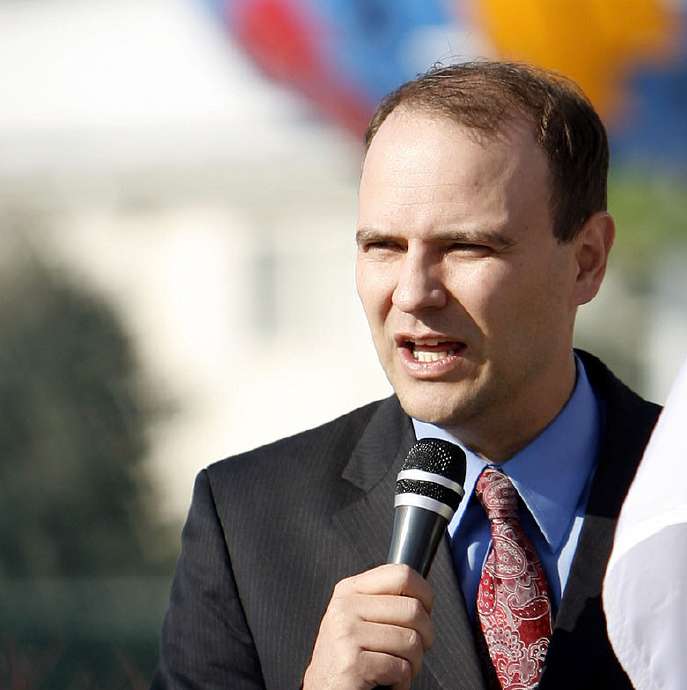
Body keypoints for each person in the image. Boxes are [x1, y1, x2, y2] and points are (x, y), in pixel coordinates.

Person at [153, 61, 660, 690]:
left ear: (586, 262)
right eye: (383, 247)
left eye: (466, 247)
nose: (415, 293)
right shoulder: (249, 526)